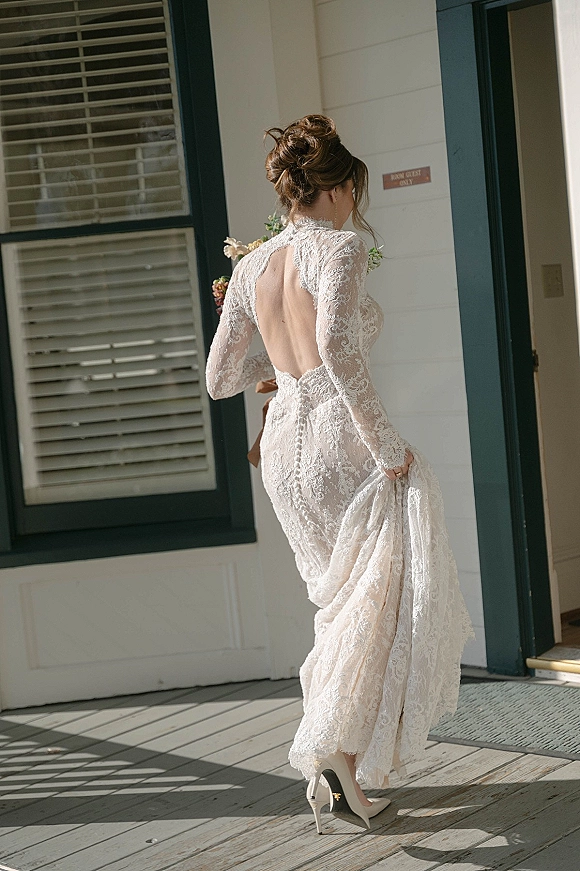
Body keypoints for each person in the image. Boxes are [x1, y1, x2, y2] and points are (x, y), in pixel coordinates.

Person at [205, 115, 474, 833]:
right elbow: (334, 344)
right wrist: (386, 443)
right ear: (338, 186)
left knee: (340, 605)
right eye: (356, 187)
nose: (358, 202)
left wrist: (279, 370)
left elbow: (220, 376)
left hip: (286, 448)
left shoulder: (255, 265)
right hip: (336, 437)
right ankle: (329, 743)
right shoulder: (341, 246)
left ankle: (342, 764)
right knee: (375, 598)